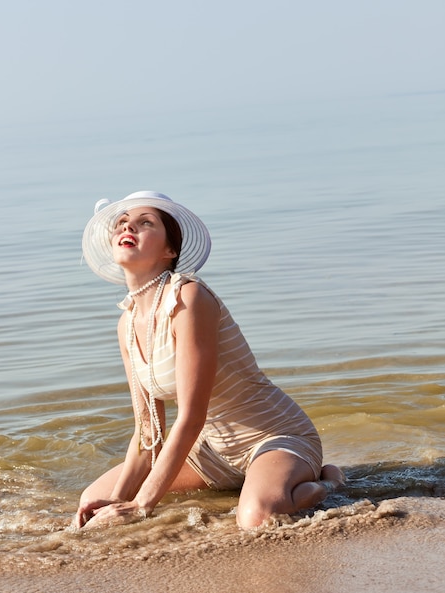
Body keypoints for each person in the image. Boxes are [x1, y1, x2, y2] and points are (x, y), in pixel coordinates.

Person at [77, 191, 344, 530]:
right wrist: (118, 500)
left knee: (257, 519)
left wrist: (142, 505)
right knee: (91, 504)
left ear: (170, 250)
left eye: (146, 223)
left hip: (274, 436)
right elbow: (148, 431)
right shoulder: (127, 324)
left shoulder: (190, 298)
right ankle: (251, 484)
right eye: (122, 223)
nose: (128, 228)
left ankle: (329, 482)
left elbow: (190, 416)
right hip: (212, 451)